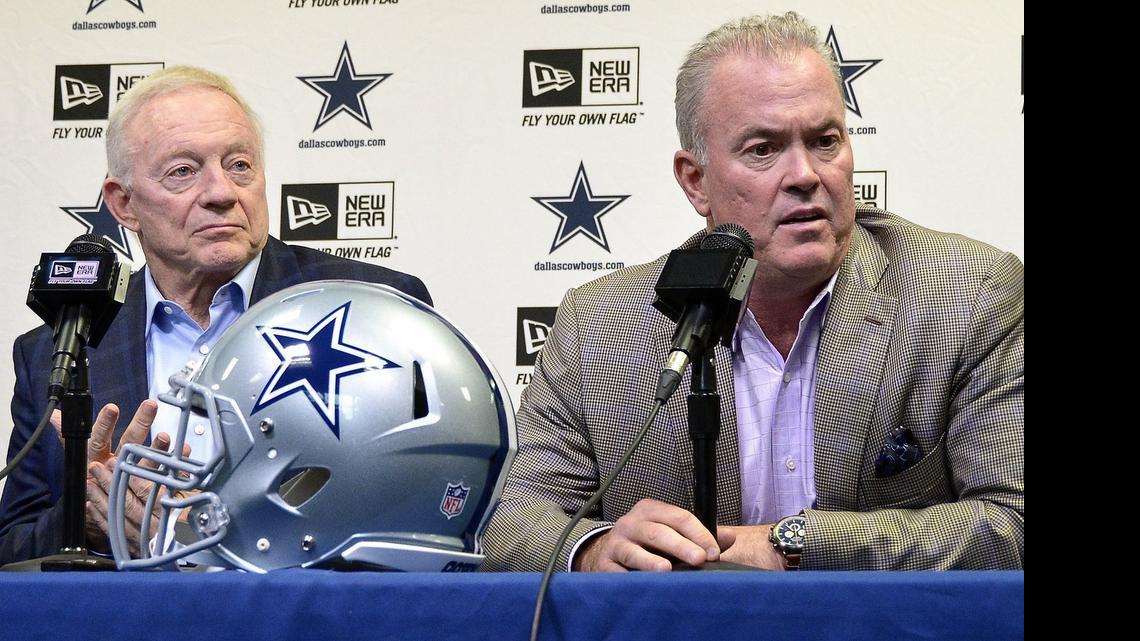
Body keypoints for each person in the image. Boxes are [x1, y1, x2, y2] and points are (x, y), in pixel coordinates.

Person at [481, 12, 1023, 572]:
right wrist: (591, 551)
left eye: (824, 141)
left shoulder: (970, 294)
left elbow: (1014, 523)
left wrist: (796, 543)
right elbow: (513, 526)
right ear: (696, 181)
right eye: (763, 149)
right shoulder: (599, 326)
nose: (805, 174)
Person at [0, 66, 431, 564]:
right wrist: (92, 521)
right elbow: (13, 549)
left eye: (240, 165)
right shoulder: (55, 353)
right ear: (123, 204)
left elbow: (426, 503)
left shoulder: (374, 308)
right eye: (183, 171)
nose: (222, 192)